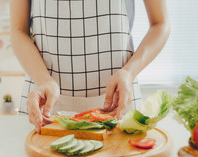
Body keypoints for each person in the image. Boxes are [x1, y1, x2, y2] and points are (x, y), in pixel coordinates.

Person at [10, 0, 170, 132]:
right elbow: (18, 30)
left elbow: (160, 23)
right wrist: (43, 80)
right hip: (44, 104)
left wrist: (129, 72)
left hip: (119, 101)